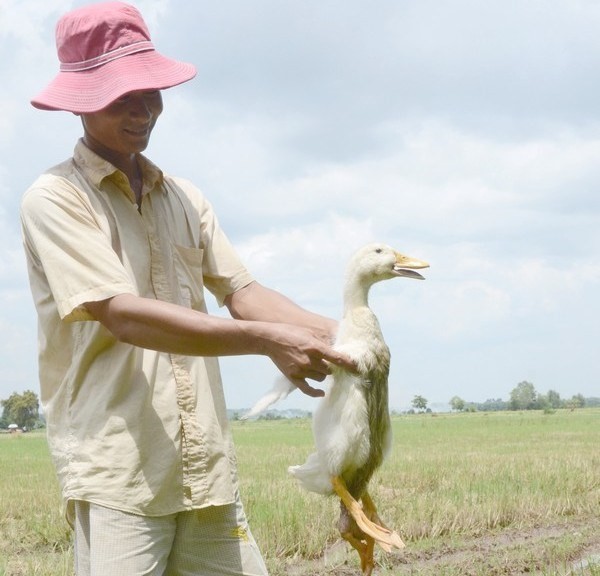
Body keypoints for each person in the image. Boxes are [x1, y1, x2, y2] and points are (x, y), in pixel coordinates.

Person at [21, 3, 354, 575]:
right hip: (121, 469)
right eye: (120, 95)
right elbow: (122, 314)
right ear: (79, 101)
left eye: (149, 90)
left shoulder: (182, 196)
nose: (143, 108)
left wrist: (343, 334)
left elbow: (243, 291)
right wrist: (265, 339)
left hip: (204, 465)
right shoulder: (56, 198)